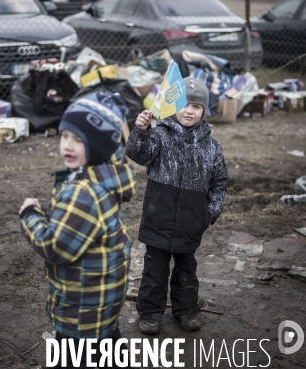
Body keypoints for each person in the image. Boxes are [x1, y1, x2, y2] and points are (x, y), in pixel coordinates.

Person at [19, 92, 136, 368]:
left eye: (79, 139)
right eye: (65, 136)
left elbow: (54, 247)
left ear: (98, 145)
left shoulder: (84, 193)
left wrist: (30, 215)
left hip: (81, 310)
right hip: (102, 301)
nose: (67, 146)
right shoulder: (104, 176)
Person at [125, 77, 228, 333]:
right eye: (183, 103)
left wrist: (210, 214)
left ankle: (186, 310)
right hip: (158, 218)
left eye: (196, 106)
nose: (189, 110)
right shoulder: (160, 134)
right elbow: (139, 154)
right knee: (154, 271)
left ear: (204, 111)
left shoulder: (212, 147)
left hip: (191, 222)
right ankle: (149, 313)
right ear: (173, 105)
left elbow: (219, 183)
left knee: (186, 272)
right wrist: (141, 131)